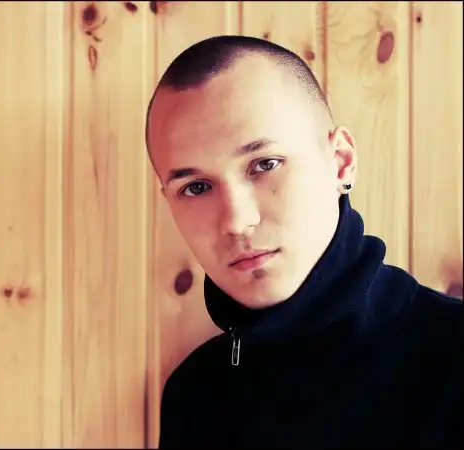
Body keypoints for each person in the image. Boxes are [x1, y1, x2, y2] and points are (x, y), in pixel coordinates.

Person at [145, 35, 463, 448]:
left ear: (341, 162)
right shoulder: (193, 397)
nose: (237, 221)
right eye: (196, 187)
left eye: (265, 164)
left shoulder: (452, 358)